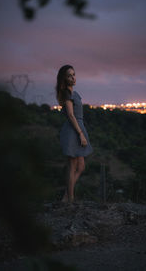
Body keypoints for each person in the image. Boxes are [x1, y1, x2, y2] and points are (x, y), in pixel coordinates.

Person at [56, 65, 93, 203]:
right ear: (64, 79)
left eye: (74, 74)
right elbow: (71, 115)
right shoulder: (66, 93)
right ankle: (70, 199)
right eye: (69, 75)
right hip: (73, 130)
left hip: (79, 127)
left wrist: (82, 132)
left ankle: (66, 196)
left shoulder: (74, 93)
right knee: (72, 166)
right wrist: (80, 134)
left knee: (81, 166)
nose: (73, 77)